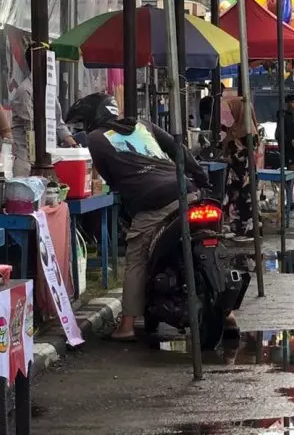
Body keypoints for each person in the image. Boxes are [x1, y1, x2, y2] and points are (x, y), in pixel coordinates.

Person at [65, 93, 216, 341]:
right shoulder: (144, 124)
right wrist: (201, 178)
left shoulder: (95, 139)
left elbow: (112, 180)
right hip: (186, 191)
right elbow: (179, 150)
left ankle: (126, 326)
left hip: (153, 205)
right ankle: (228, 314)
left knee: (136, 257)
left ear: (93, 118)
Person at [11, 43, 77, 177]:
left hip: (48, 155)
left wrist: (73, 145)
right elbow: (30, 126)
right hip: (26, 157)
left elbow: (58, 122)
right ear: (37, 64)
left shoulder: (50, 89)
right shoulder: (25, 90)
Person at [222, 97, 259, 238]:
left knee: (241, 197)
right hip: (244, 174)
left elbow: (236, 157)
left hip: (241, 174)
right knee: (245, 197)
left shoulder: (239, 134)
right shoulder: (249, 131)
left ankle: (242, 226)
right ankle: (245, 226)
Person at [279, 94, 294, 172]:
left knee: (293, 168)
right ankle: (289, 183)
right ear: (287, 104)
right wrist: (291, 141)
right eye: (292, 102)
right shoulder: (283, 116)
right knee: (291, 167)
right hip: (288, 147)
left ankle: (290, 183)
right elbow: (280, 132)